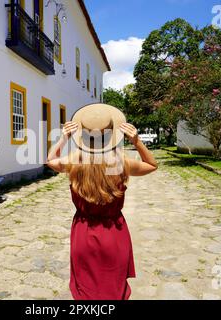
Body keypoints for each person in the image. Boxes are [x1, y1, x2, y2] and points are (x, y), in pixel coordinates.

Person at [47, 103, 158, 300]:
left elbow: (50, 160)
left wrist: (64, 138)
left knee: (86, 290)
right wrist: (137, 141)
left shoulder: (74, 162)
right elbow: (151, 164)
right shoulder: (122, 163)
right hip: (114, 233)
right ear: (111, 135)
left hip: (83, 232)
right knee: (114, 289)